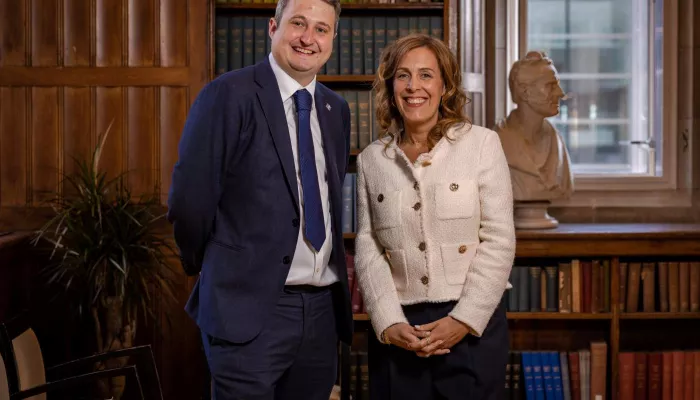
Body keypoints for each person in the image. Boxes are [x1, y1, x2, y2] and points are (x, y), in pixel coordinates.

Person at [166, 0, 353, 397]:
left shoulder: (335, 109)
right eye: (298, 23)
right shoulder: (227, 95)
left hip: (320, 314)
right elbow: (189, 200)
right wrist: (216, 267)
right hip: (248, 310)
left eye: (321, 29)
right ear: (273, 27)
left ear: (333, 39)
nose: (308, 38)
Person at [354, 33, 516, 399]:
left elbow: (499, 239)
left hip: (471, 325)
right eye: (403, 75)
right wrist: (388, 321)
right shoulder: (371, 160)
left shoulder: (482, 144)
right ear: (390, 85)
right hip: (399, 329)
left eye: (426, 75)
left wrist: (463, 320)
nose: (414, 87)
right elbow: (368, 246)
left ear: (445, 85)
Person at [495, 50, 574, 202]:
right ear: (525, 92)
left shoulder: (556, 141)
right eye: (551, 86)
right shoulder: (498, 142)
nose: (560, 93)